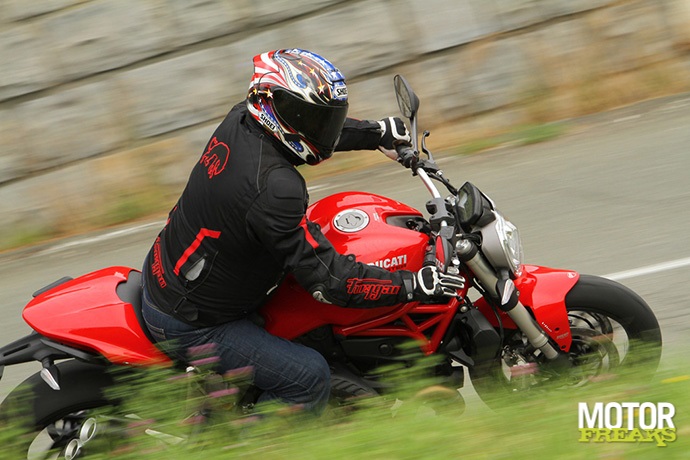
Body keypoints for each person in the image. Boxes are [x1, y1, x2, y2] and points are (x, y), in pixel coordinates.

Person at [140, 48, 464, 415]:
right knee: (308, 378)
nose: (320, 127)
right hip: (191, 320)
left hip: (181, 272)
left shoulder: (242, 120)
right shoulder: (275, 187)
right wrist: (412, 285)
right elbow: (330, 282)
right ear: (272, 106)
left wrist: (377, 133)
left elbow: (309, 132)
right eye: (310, 116)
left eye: (324, 117)